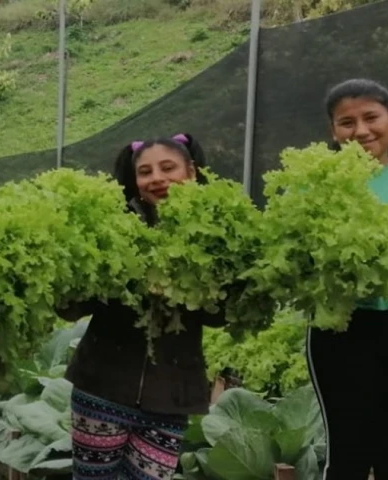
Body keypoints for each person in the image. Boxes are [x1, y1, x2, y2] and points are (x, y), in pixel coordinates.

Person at [59, 134, 225, 480]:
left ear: (191, 171)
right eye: (146, 172)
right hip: (102, 387)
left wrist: (188, 284)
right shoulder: (114, 228)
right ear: (135, 182)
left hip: (170, 396)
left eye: (168, 168)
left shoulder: (215, 234)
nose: (157, 179)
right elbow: (71, 307)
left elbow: (219, 315)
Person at [307, 78, 388, 480]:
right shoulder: (312, 188)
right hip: (343, 328)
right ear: (333, 131)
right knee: (347, 457)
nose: (361, 131)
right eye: (347, 122)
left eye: (371, 118)